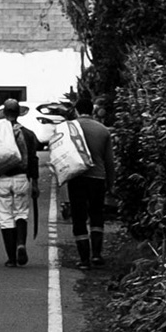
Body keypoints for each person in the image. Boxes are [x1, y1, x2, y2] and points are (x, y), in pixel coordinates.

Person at [43, 97, 114, 268]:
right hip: (98, 178)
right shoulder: (103, 130)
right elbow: (109, 161)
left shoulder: (69, 129)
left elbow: (59, 153)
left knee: (79, 217)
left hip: (77, 177)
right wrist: (110, 184)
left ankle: (84, 260)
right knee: (97, 215)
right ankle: (96, 255)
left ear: (76, 110)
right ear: (93, 110)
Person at [0, 99, 41, 267]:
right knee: (21, 213)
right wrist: (35, 183)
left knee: (5, 217)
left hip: (1, 179)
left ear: (4, 112)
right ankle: (21, 244)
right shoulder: (28, 134)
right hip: (21, 178)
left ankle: (11, 258)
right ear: (19, 113)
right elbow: (33, 159)